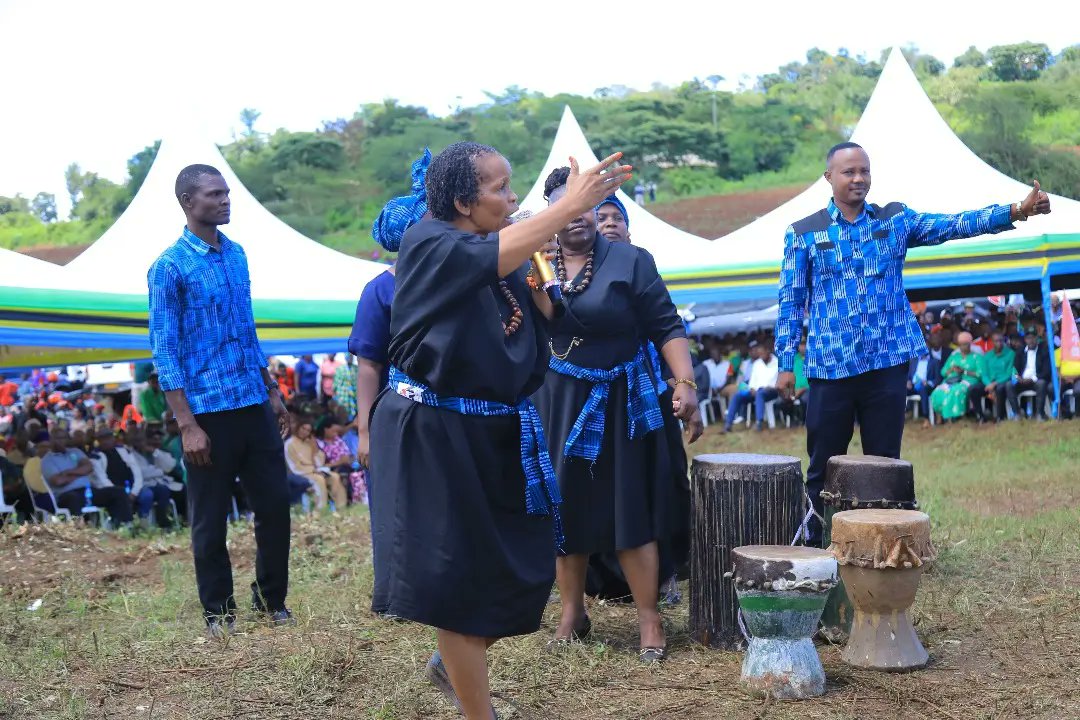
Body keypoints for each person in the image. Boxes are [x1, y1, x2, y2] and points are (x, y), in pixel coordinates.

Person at [369, 141, 629, 719]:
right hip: (433, 430)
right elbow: (490, 257)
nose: (513, 198)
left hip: (494, 428)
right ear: (463, 201)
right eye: (500, 188)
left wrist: (538, 280)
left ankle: (453, 661)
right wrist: (568, 206)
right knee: (459, 582)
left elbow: (549, 316)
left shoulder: (501, 248)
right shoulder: (429, 242)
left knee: (516, 567)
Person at [775, 142, 1051, 542]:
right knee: (823, 464)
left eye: (864, 171)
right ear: (829, 177)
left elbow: (952, 225)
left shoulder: (895, 220)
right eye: (849, 172)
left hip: (888, 362)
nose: (858, 178)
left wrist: (1015, 211)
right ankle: (815, 545)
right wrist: (785, 363)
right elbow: (790, 302)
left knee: (886, 464)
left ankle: (887, 549)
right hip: (831, 366)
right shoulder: (803, 233)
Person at [535, 169, 702, 663]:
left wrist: (685, 383)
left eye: (585, 204)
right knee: (566, 506)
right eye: (565, 205)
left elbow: (666, 325)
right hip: (559, 402)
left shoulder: (631, 260)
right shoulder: (534, 263)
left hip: (622, 401)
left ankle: (649, 617)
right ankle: (573, 612)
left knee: (631, 506)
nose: (578, 215)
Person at [147, 163, 293, 638]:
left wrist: (272, 391)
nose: (225, 200)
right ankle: (219, 613)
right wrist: (186, 424)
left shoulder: (237, 255)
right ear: (188, 202)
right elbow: (165, 351)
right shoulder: (168, 267)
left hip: (252, 400)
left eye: (227, 192)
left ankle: (272, 601)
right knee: (210, 520)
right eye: (214, 194)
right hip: (207, 413)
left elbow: (247, 331)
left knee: (275, 507)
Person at [348, 148, 431, 618]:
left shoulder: (449, 278)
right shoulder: (380, 290)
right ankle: (398, 596)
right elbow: (368, 365)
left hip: (450, 407)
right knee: (396, 501)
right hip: (398, 408)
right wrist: (363, 430)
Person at [40, 427, 133, 524]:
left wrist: (68, 472)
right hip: (66, 495)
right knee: (73, 499)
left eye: (64, 438)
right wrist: (80, 473)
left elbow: (89, 467)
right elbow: (58, 481)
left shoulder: (75, 451)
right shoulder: (47, 460)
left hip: (88, 491)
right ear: (51, 440)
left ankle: (123, 525)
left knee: (118, 492)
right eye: (58, 438)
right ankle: (81, 529)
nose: (61, 441)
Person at [285, 418, 348, 510]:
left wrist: (314, 448)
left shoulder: (309, 443)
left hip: (315, 470)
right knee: (319, 479)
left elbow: (319, 463)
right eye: (303, 428)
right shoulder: (289, 444)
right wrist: (313, 470)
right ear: (298, 428)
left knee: (335, 476)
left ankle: (341, 507)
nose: (305, 432)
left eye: (308, 430)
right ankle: (320, 508)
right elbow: (294, 466)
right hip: (301, 472)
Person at [724, 340, 779, 432]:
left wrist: (765, 388)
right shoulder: (757, 363)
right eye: (759, 354)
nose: (761, 356)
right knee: (738, 395)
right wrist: (752, 388)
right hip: (756, 391)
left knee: (760, 393)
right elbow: (753, 380)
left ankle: (759, 423)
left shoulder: (777, 362)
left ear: (768, 351)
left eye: (762, 353)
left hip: (771, 391)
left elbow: (777, 381)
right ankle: (728, 424)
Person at [931, 332, 983, 422]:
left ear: (970, 344)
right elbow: (943, 372)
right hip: (951, 381)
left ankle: (957, 417)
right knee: (938, 391)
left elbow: (980, 374)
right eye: (961, 344)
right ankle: (941, 417)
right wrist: (952, 369)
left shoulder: (977, 357)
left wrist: (964, 371)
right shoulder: (954, 356)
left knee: (956, 391)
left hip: (968, 381)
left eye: (965, 344)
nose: (963, 347)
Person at [1007, 331, 1052, 420]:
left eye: (1033, 338)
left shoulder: (1043, 351)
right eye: (1028, 338)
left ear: (1037, 339)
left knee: (1041, 383)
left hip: (1036, 381)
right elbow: (1015, 369)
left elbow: (1046, 371)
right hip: (1022, 381)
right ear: (1025, 340)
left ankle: (1039, 414)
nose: (1031, 340)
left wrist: (1032, 379)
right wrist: (1018, 378)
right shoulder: (1020, 352)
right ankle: (1017, 413)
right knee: (1009, 385)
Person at [972, 331, 1016, 422]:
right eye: (996, 341)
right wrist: (989, 384)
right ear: (992, 342)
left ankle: (1000, 416)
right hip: (989, 382)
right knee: (974, 389)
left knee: (1000, 389)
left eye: (1001, 341)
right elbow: (984, 374)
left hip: (1002, 381)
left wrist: (994, 384)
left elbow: (1009, 373)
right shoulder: (987, 355)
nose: (999, 343)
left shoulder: (1010, 353)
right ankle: (980, 416)